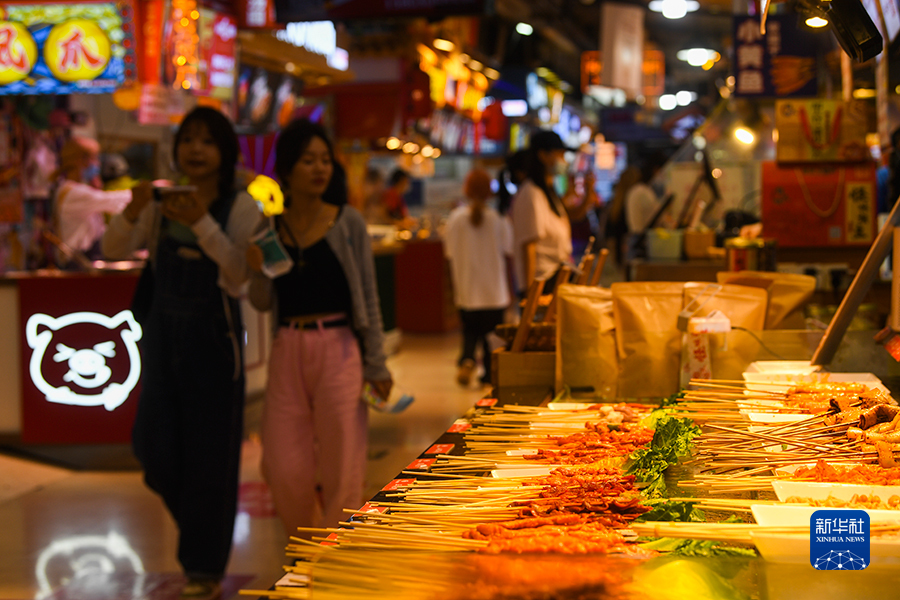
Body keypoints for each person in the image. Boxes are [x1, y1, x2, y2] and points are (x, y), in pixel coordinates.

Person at [102, 107, 258, 600]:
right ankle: (200, 528)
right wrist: (133, 209)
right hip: (162, 344)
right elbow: (110, 248)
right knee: (154, 450)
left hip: (216, 349)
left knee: (212, 462)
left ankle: (204, 569)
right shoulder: (162, 201)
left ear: (225, 151)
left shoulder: (241, 207)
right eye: (187, 140)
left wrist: (204, 224)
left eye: (207, 141)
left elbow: (239, 278)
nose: (195, 149)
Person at [247, 119, 393, 538]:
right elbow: (261, 302)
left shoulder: (347, 222)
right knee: (282, 462)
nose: (319, 168)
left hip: (340, 346)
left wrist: (377, 364)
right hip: (287, 345)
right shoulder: (270, 228)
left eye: (325, 160)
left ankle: (331, 552)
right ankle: (305, 542)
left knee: (343, 458)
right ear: (288, 169)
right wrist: (256, 272)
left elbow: (368, 296)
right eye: (308, 160)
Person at [444, 168, 514, 387]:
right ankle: (489, 374)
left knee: (470, 331)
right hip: (494, 291)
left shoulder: (455, 219)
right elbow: (508, 251)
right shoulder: (498, 219)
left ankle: (467, 359)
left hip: (467, 288)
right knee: (492, 338)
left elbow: (449, 254)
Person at [509, 130, 575, 294]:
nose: (563, 160)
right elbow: (529, 247)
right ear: (543, 156)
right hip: (542, 283)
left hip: (554, 277)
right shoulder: (531, 193)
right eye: (559, 154)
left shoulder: (547, 192)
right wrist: (531, 295)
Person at [53, 137, 134, 261]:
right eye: (95, 158)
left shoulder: (73, 188)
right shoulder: (74, 192)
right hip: (77, 261)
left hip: (87, 256)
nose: (98, 164)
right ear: (80, 160)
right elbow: (113, 201)